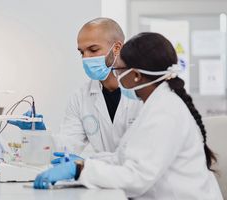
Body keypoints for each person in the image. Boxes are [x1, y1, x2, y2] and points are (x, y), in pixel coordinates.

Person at [33, 32, 223, 200]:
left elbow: (137, 178)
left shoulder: (165, 112)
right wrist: (84, 164)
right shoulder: (155, 104)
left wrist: (80, 170)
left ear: (137, 76)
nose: (117, 75)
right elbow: (123, 157)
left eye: (119, 70)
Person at [10, 18, 142, 163]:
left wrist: (88, 166)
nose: (86, 58)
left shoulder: (141, 91)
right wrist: (39, 134)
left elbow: (145, 154)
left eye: (93, 50)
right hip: (105, 180)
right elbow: (67, 145)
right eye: (82, 52)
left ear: (116, 48)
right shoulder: (81, 97)